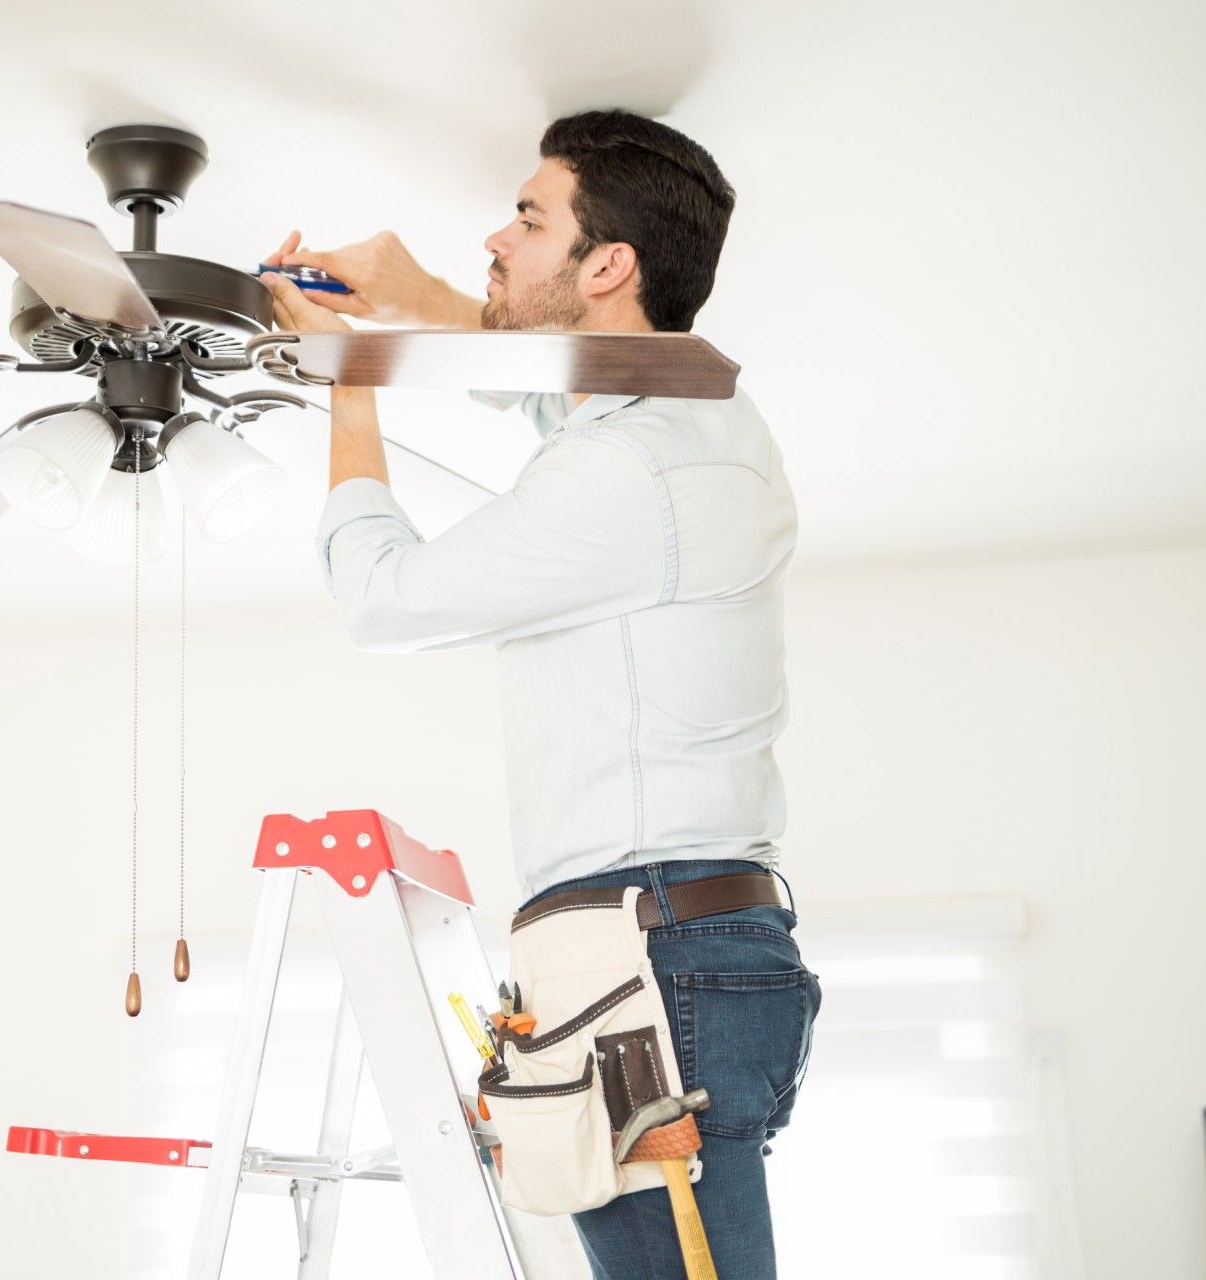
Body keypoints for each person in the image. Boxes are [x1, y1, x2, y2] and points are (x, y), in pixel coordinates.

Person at [258, 108, 823, 1280]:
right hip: (677, 945)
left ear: (608, 264)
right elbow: (541, 378)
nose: (496, 238)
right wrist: (411, 291)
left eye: (528, 217)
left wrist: (348, 386)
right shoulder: (689, 421)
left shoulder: (629, 466)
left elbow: (386, 596)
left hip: (647, 958)